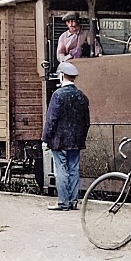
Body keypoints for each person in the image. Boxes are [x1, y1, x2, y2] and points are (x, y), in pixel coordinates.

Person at [41, 62, 90, 211]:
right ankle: (74, 202)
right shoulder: (82, 96)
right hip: (75, 141)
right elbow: (86, 122)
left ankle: (63, 203)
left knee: (61, 170)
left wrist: (45, 139)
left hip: (59, 141)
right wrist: (81, 138)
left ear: (61, 76)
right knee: (74, 169)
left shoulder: (57, 96)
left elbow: (51, 120)